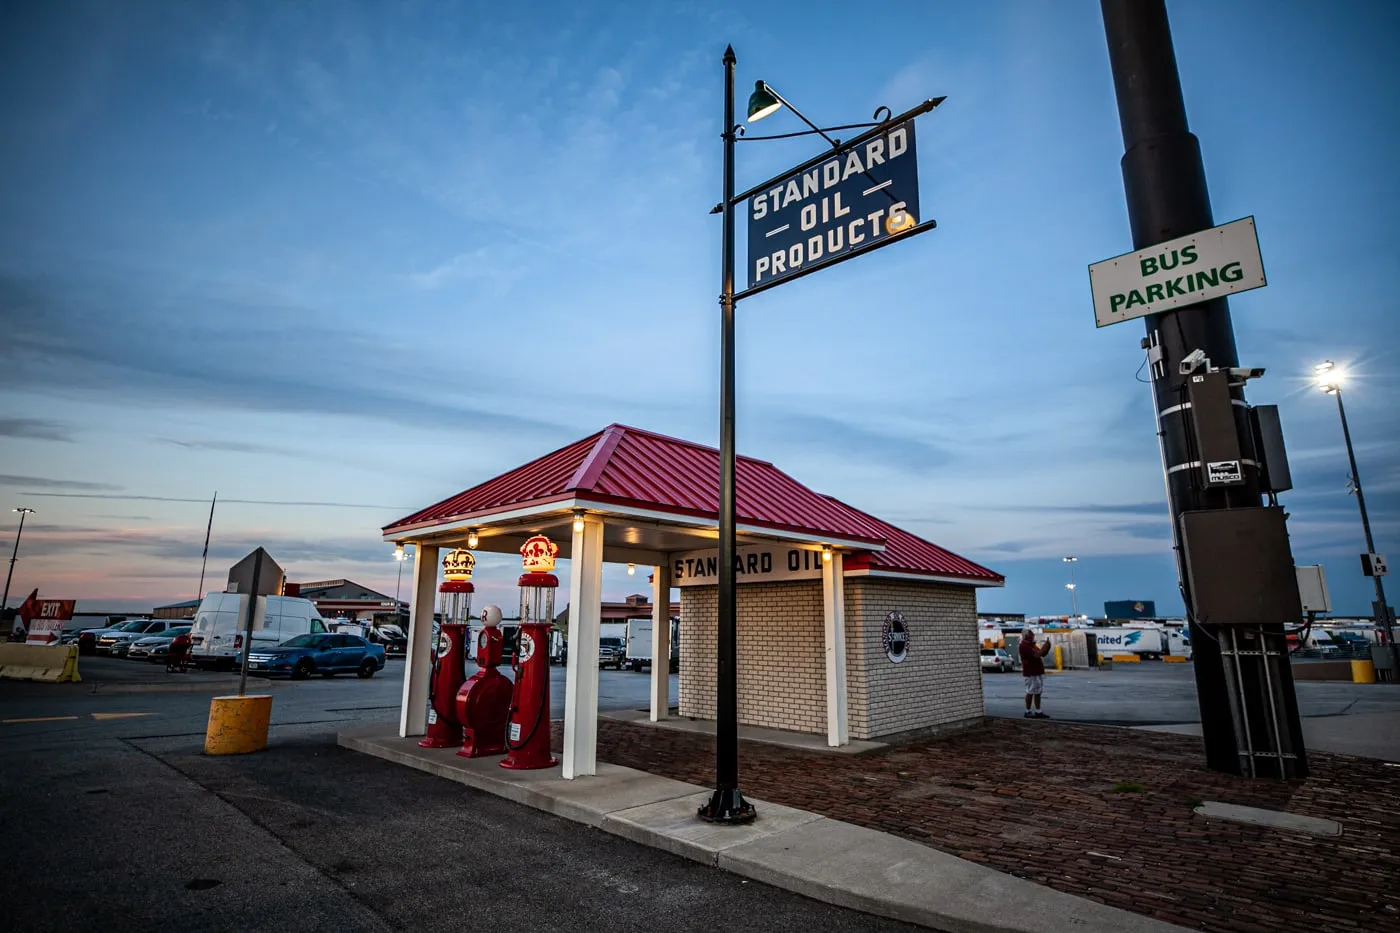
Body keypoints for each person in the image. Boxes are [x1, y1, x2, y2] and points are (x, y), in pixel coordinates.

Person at [1018, 629, 1052, 718]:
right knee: (1030, 691)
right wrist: (1044, 647)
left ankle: (1038, 711)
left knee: (1038, 691)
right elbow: (1036, 655)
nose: (1033, 637)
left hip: (1037, 671)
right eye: (1031, 635)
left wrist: (1047, 648)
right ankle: (1027, 711)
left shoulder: (1032, 645)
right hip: (1031, 672)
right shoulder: (1024, 646)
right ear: (1026, 636)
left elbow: (1042, 654)